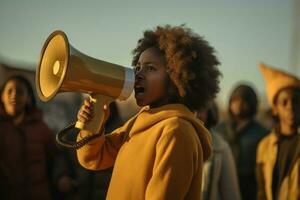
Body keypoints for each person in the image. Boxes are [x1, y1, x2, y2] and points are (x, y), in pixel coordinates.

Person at [76, 25, 221, 199]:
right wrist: (93, 124)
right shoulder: (139, 122)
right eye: (137, 68)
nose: (138, 75)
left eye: (150, 68)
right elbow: (93, 158)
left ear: (176, 79)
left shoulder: (176, 131)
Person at [0, 75, 56, 200]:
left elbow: (56, 157)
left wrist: (62, 177)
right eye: (9, 91)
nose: (14, 95)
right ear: (1, 97)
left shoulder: (42, 128)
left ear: (28, 98)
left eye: (19, 91)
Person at [215, 83, 269, 200]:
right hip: (221, 185)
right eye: (235, 100)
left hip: (249, 189)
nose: (238, 104)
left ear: (252, 104)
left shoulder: (262, 133)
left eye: (244, 101)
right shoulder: (219, 130)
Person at [256, 63, 300, 200]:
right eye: (284, 102)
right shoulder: (264, 146)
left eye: (296, 101)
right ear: (275, 109)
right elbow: (262, 192)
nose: (290, 107)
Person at [196, 102, 241, 200]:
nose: (195, 115)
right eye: (191, 109)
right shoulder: (174, 142)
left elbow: (231, 194)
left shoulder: (221, 148)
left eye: (200, 110)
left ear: (209, 113)